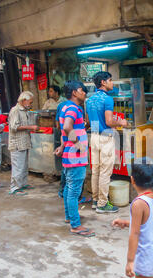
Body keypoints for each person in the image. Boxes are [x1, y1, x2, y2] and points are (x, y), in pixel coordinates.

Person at [54, 80, 95, 237]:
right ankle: (75, 225)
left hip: (68, 155)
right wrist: (79, 145)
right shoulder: (73, 108)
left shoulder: (65, 107)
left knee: (68, 189)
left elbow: (66, 131)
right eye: (81, 90)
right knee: (74, 192)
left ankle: (69, 217)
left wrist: (63, 147)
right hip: (75, 157)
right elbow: (66, 128)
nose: (84, 92)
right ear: (74, 93)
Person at [86, 71, 128, 214]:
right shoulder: (107, 99)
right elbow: (110, 121)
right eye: (110, 80)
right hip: (105, 138)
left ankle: (96, 200)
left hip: (94, 137)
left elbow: (88, 122)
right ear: (103, 82)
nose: (112, 83)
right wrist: (121, 122)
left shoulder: (89, 100)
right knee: (105, 172)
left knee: (96, 170)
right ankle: (103, 204)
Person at [8, 91, 39, 195]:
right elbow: (14, 127)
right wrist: (30, 127)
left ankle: (23, 184)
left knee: (24, 166)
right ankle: (15, 188)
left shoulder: (24, 111)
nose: (30, 104)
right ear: (23, 100)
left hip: (24, 142)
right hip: (17, 143)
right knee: (18, 167)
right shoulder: (15, 110)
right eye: (30, 102)